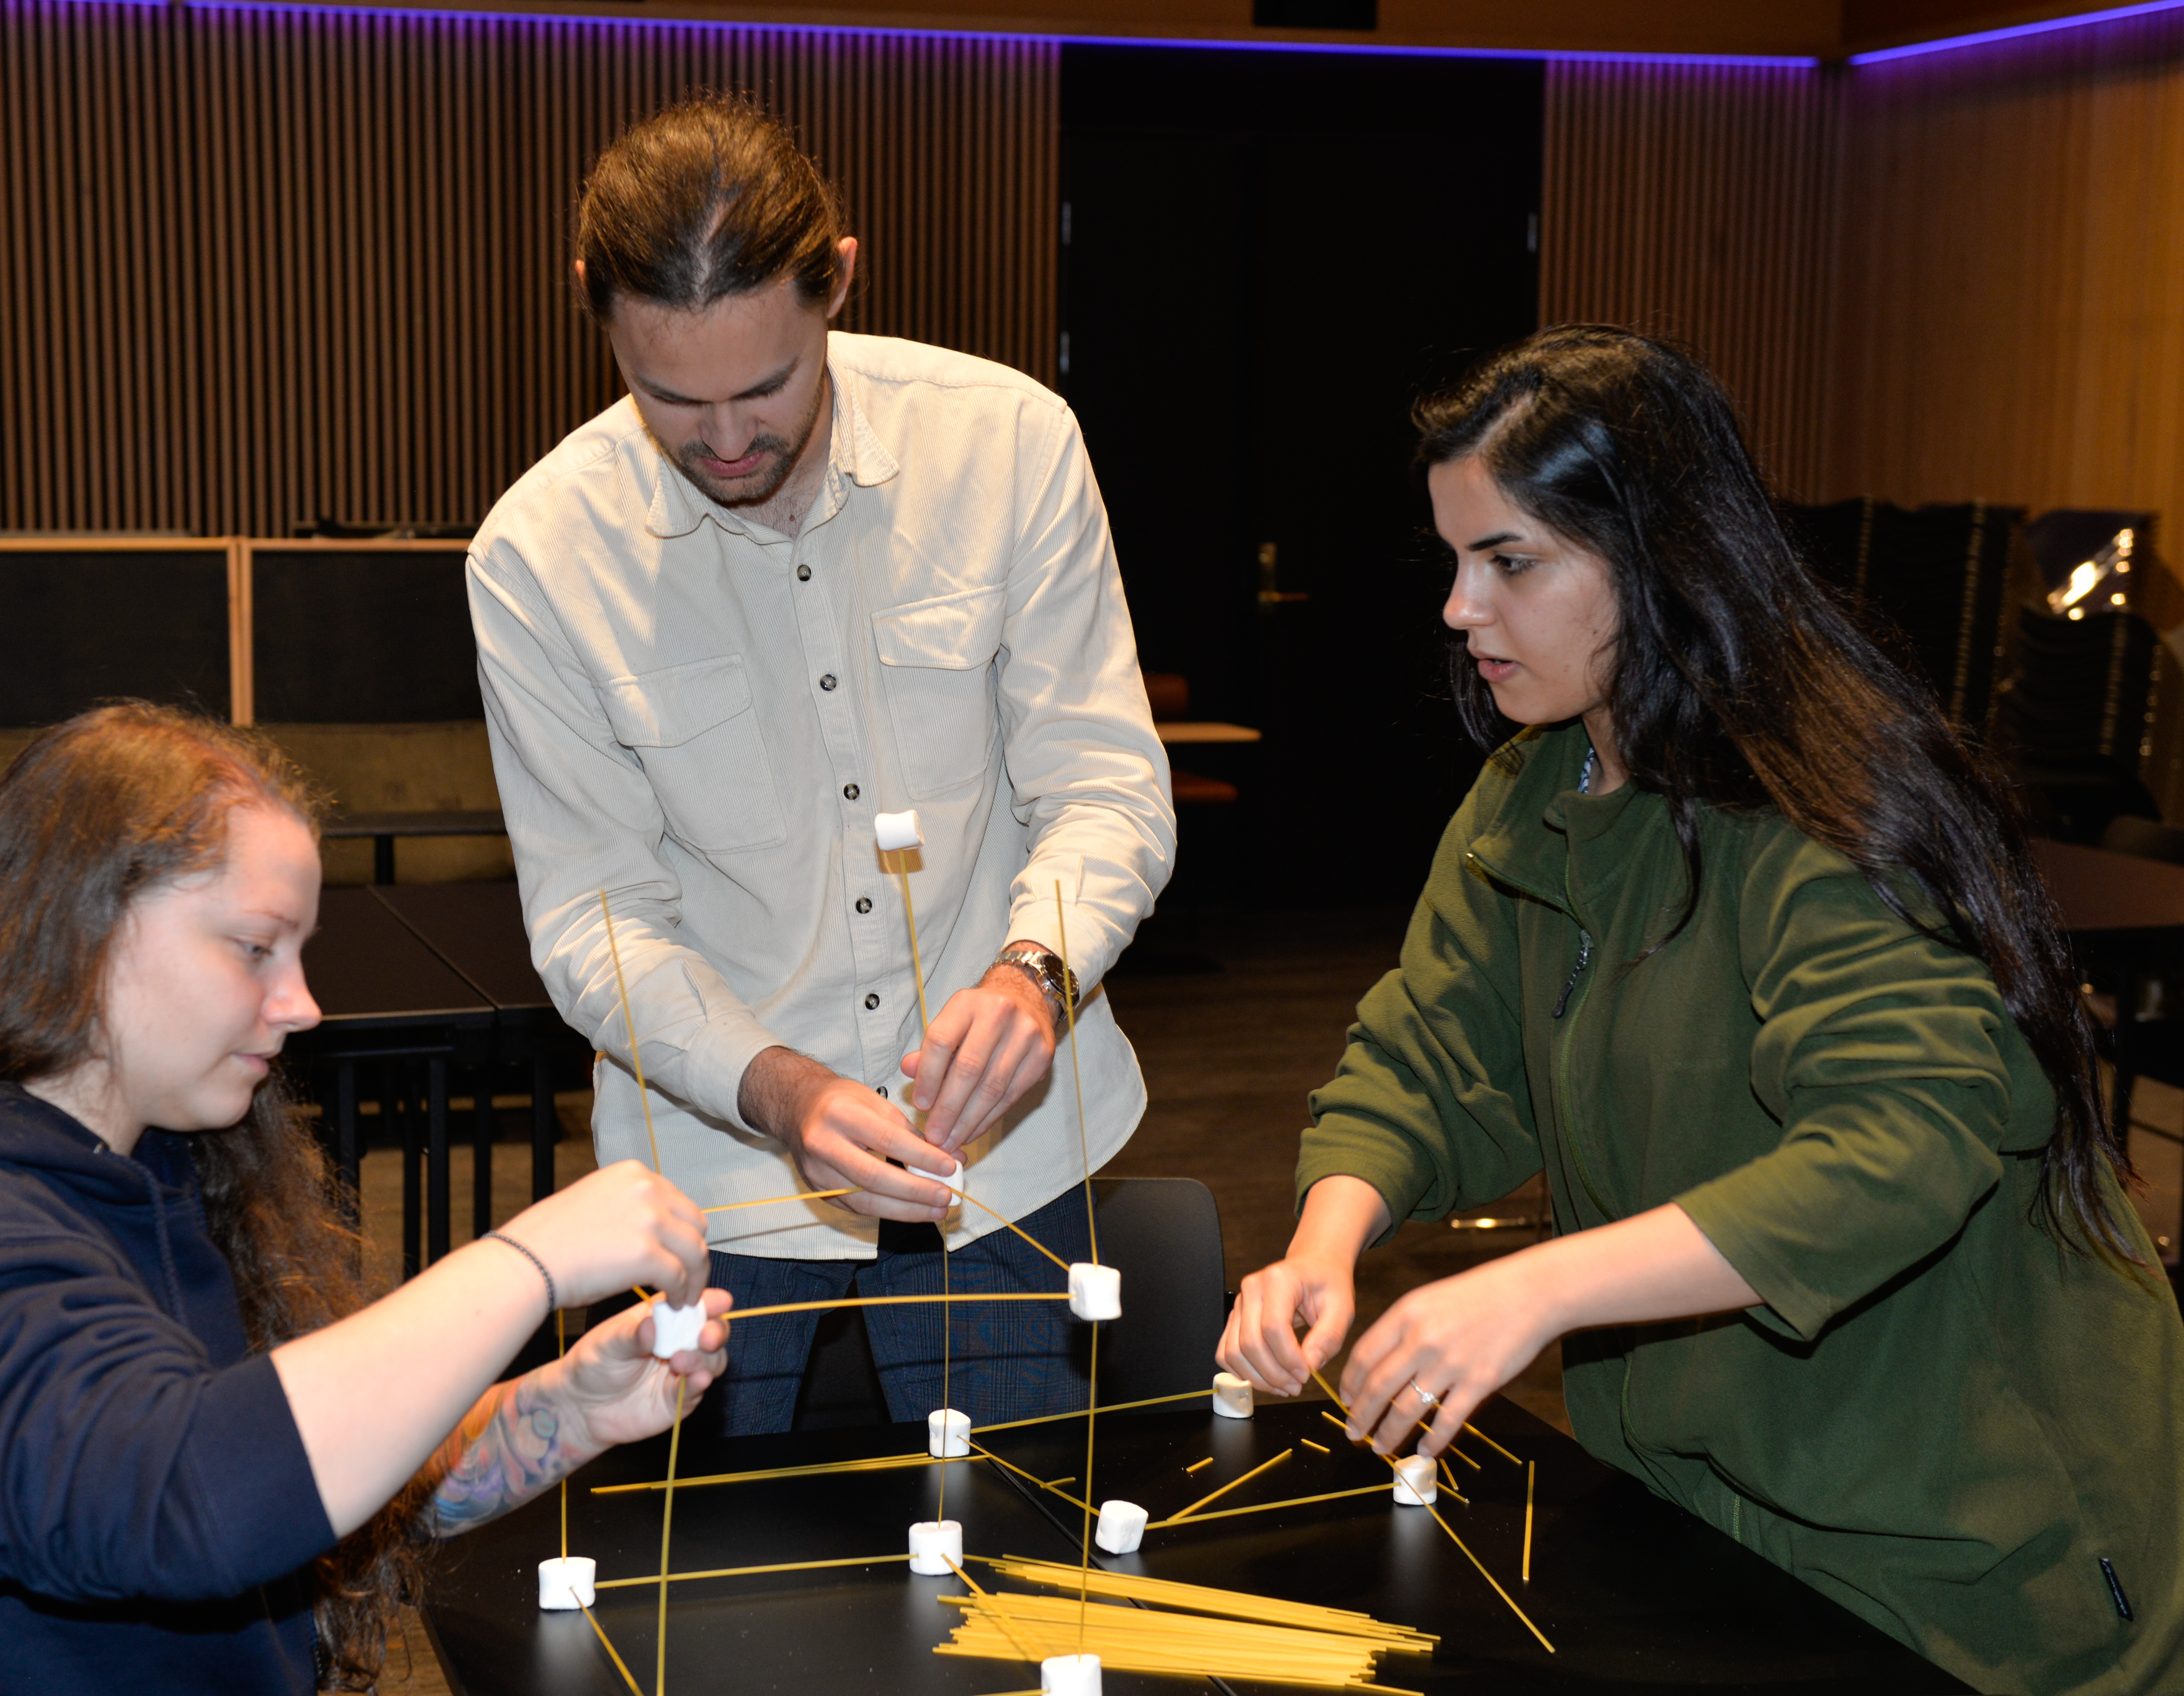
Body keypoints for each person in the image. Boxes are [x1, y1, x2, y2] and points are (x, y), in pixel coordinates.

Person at [1218, 327, 2183, 1693]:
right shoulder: (1532, 789)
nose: (1456, 608)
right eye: (1452, 560)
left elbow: (1900, 1141)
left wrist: (1536, 1288)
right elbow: (1429, 1048)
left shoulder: (1818, 815)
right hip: (1703, 1506)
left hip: (1971, 1556)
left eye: (1507, 562)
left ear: (1656, 557)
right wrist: (1329, 1238)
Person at [0, 703, 729, 1695]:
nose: (302, 1005)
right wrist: (528, 1262)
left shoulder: (158, 1159)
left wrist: (561, 1410)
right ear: (85, 934)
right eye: (254, 948)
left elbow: (299, 1489)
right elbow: (186, 1501)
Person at [467, 93, 1173, 1434]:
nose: (724, 441)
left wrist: (1033, 979)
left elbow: (1102, 784)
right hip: (711, 1185)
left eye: (766, 387)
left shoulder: (1010, 447)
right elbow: (593, 915)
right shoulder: (537, 557)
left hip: (1011, 1166)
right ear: (595, 310)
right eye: (669, 398)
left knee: (1025, 1578)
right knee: (712, 1623)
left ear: (837, 278)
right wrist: (780, 1089)